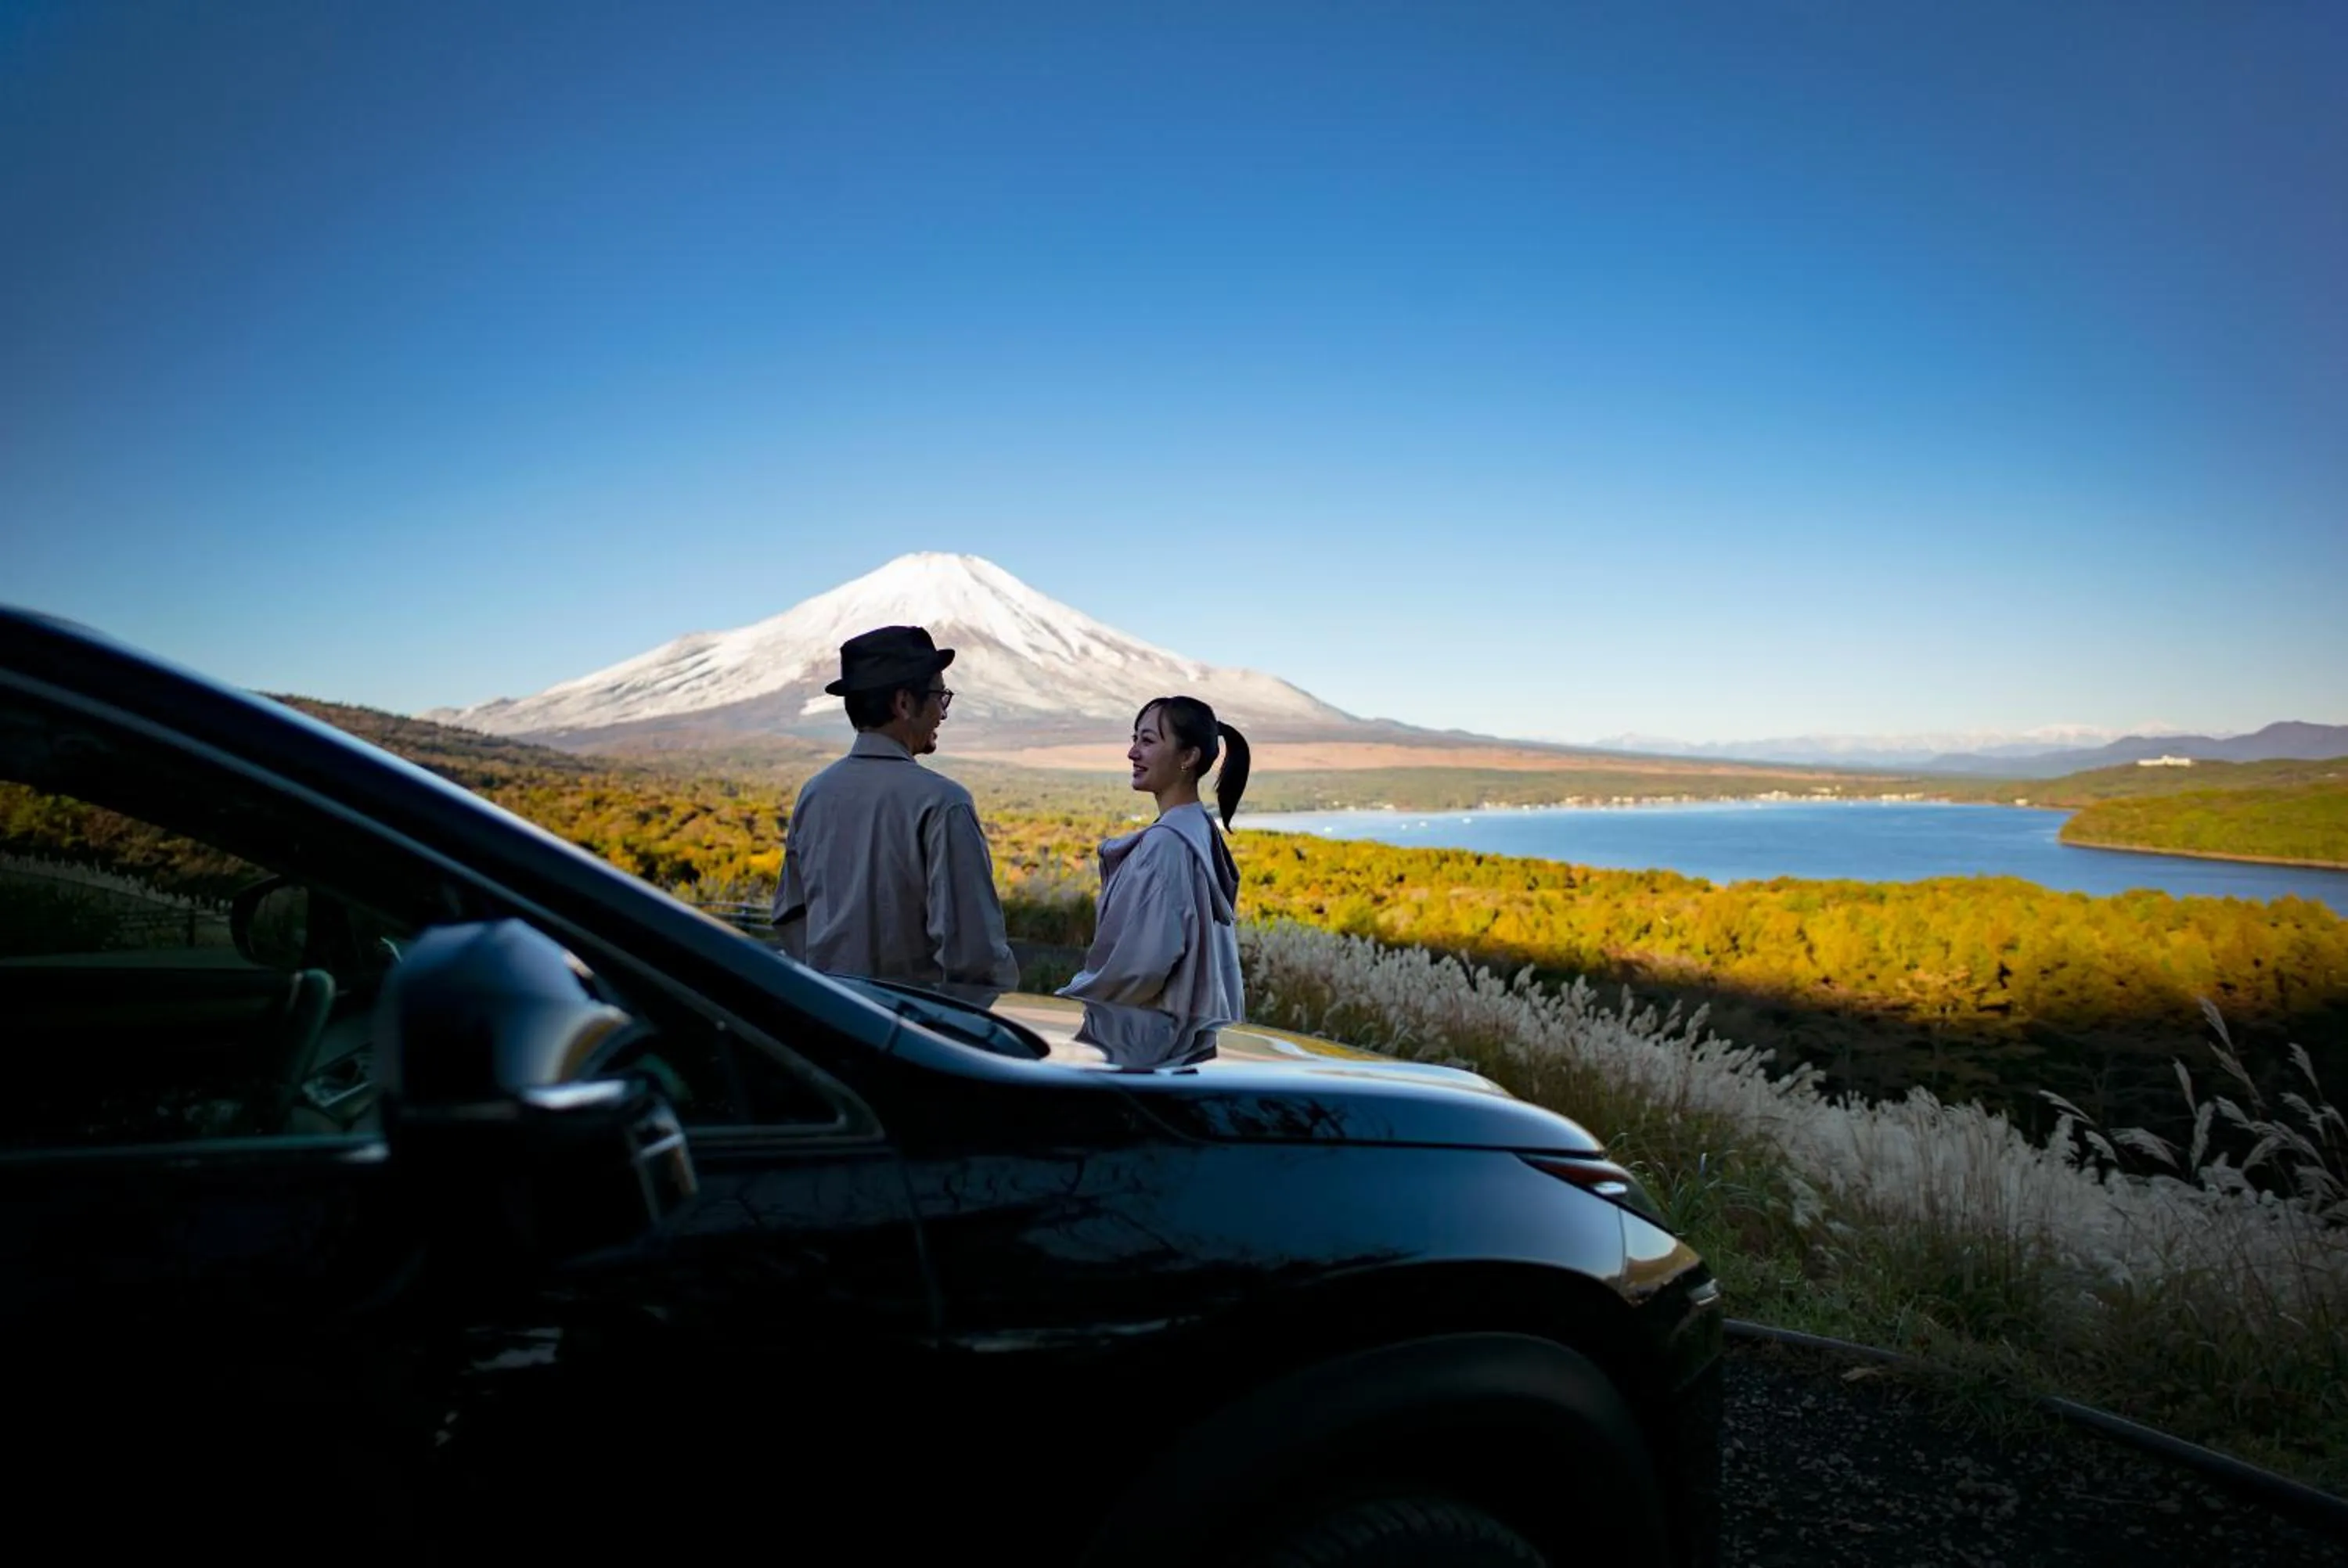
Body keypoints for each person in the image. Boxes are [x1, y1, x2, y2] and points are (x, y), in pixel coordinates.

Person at [772, 624, 1019, 994]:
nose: (943, 713)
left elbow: (790, 917)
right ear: (904, 703)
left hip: (825, 1018)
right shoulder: (944, 803)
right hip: (912, 1027)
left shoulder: (814, 793)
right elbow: (972, 951)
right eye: (940, 696)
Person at [1056, 696, 1251, 1024]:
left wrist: (1062, 1005)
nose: (1133, 753)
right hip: (1195, 1042)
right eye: (1135, 740)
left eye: (1147, 741)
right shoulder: (1200, 829)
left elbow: (1138, 970)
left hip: (1158, 1044)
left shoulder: (1166, 845)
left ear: (1188, 757)